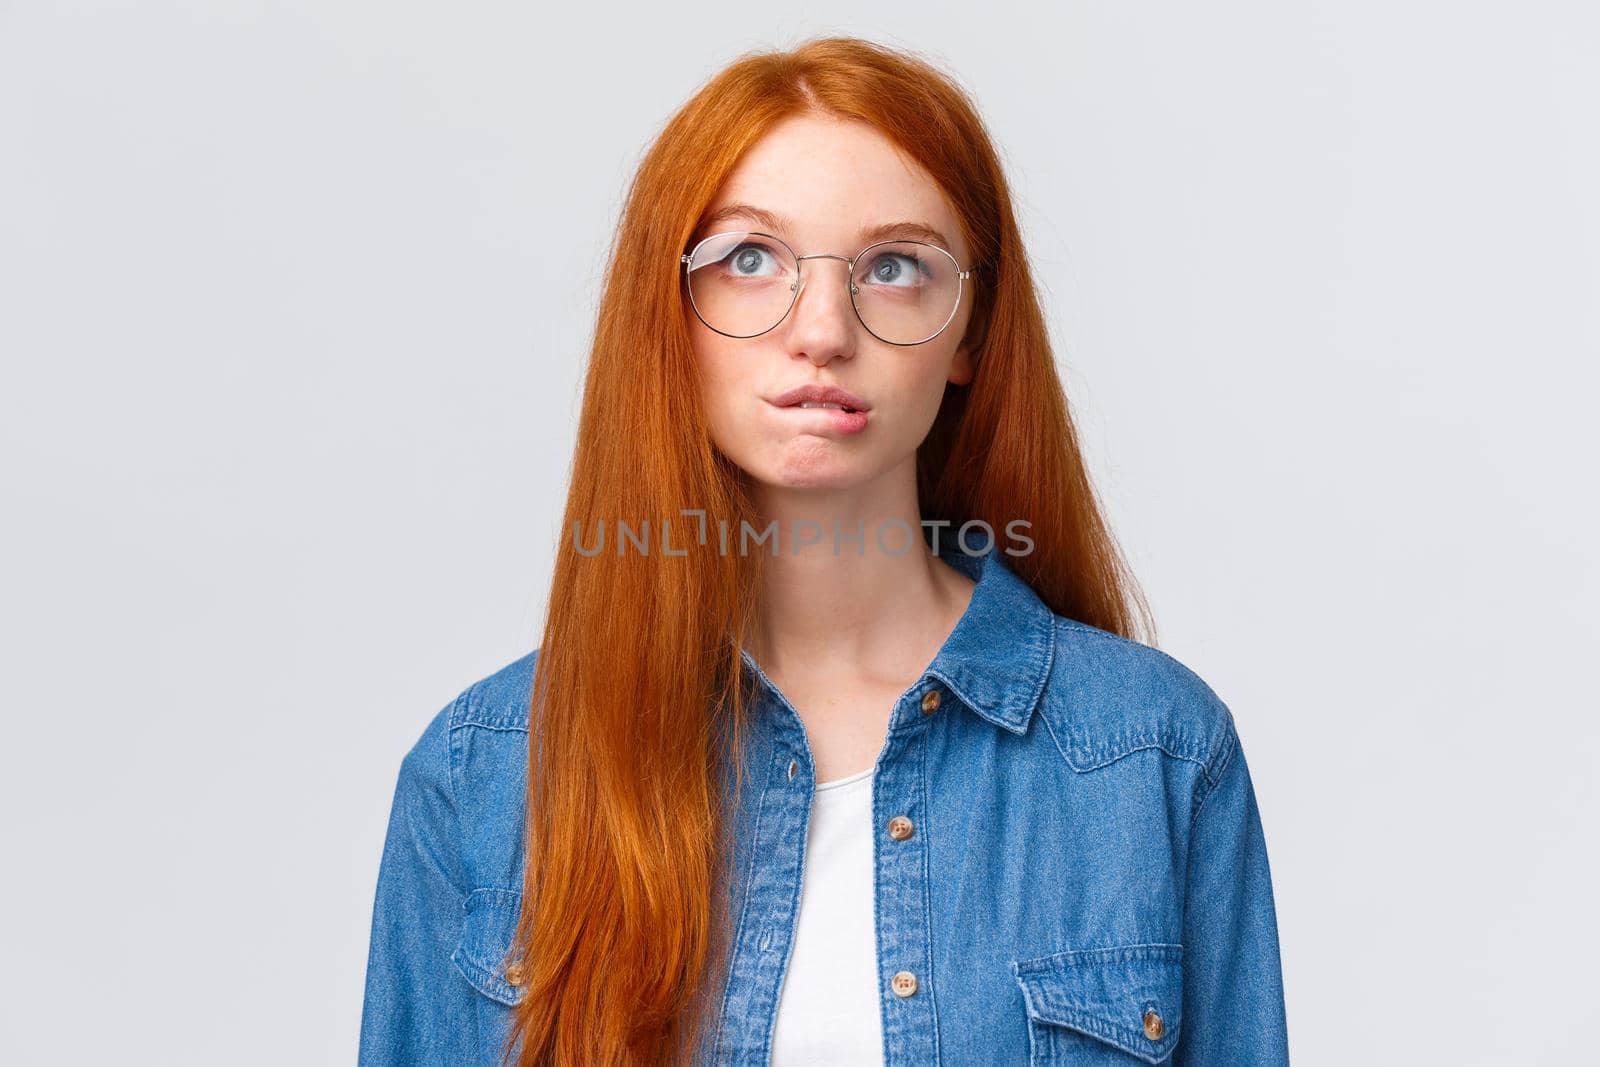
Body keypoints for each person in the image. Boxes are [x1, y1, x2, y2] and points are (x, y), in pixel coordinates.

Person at [358, 35, 1289, 1067]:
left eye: (893, 268)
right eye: (749, 259)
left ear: (971, 329)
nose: (821, 330)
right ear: (668, 317)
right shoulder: (484, 769)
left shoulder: (1151, 753)